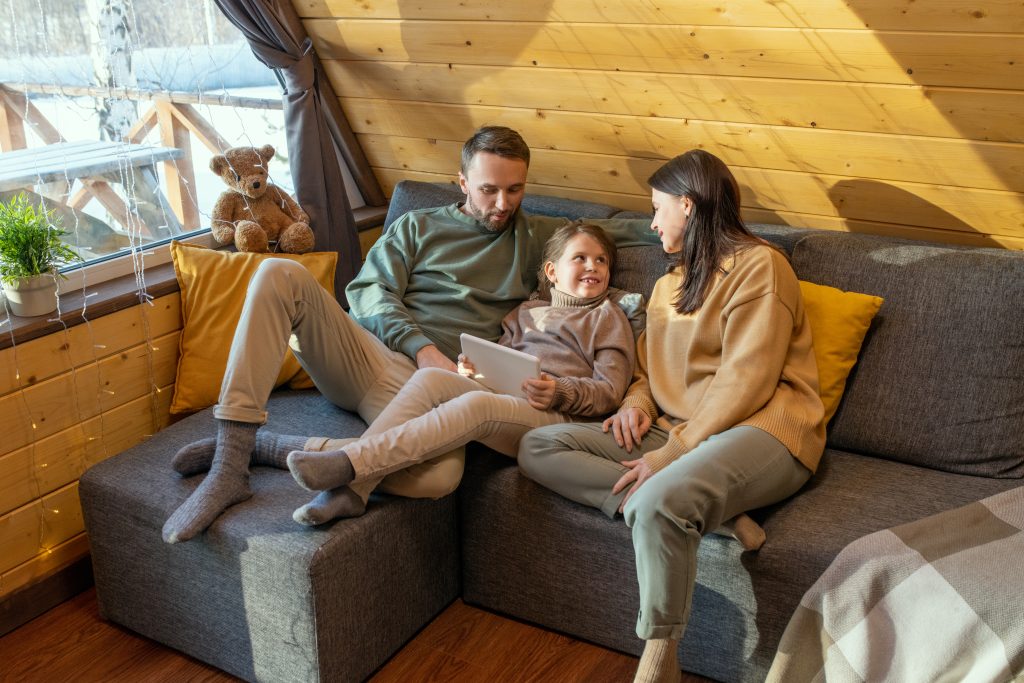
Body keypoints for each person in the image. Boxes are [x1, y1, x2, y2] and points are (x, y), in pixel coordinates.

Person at [162, 125, 658, 543]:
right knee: (278, 273)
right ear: (461, 181)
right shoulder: (418, 227)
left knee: (439, 479)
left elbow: (621, 233)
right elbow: (369, 292)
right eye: (489, 189)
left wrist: (698, 227)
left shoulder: (536, 239)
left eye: (516, 189)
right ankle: (229, 464)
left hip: (443, 393)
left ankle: (270, 448)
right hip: (373, 360)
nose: (503, 203)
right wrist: (421, 349)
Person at [517, 150, 826, 683]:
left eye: (658, 208)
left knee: (659, 498)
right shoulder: (667, 287)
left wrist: (672, 455)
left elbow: (747, 379)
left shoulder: (761, 266)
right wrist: (637, 407)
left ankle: (659, 662)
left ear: (688, 205)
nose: (653, 221)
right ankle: (711, 515)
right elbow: (647, 371)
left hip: (766, 427)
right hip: (678, 431)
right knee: (537, 448)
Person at [228, 222, 639, 523]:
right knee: (430, 378)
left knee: (476, 405)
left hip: (555, 417)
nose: (593, 266)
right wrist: (473, 369)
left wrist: (561, 392)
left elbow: (610, 390)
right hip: (505, 399)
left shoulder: (608, 317)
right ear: (551, 272)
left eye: (601, 260)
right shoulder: (526, 313)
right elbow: (502, 362)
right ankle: (354, 489)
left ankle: (349, 466)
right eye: (580, 258)